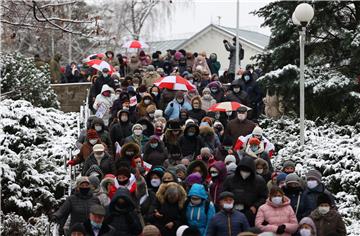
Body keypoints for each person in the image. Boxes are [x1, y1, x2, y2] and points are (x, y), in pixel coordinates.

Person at [222, 155, 268, 226]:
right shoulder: (230, 179)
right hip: (231, 210)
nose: (244, 173)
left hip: (250, 212)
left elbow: (264, 197)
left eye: (247, 171)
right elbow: (223, 193)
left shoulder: (259, 181)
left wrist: (255, 206)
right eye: (243, 170)